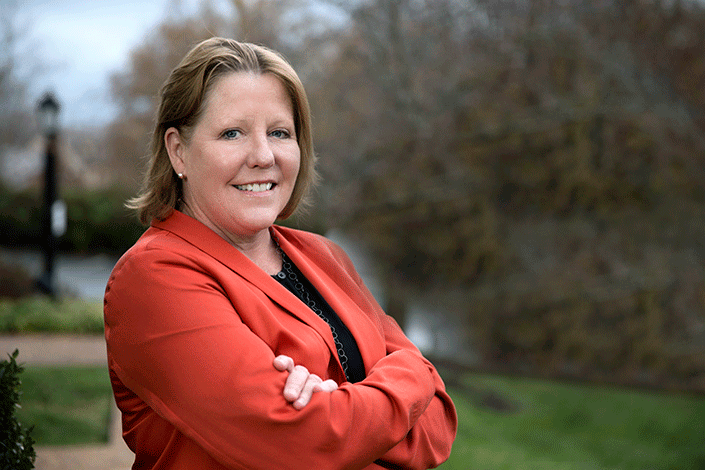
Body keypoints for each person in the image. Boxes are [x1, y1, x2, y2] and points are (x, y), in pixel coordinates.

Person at [103, 37, 457, 470]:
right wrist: (413, 376)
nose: (263, 155)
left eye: (279, 132)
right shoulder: (154, 278)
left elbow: (439, 425)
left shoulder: (326, 257)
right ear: (178, 150)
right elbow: (303, 447)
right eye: (232, 133)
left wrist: (343, 409)